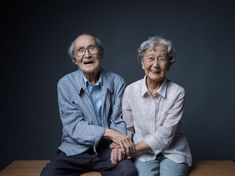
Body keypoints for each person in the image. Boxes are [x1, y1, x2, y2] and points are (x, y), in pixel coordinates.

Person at [41, 33, 137, 176]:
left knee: (128, 172)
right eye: (80, 50)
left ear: (101, 53)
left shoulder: (117, 81)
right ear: (74, 59)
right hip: (74, 150)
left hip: (107, 149)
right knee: (48, 175)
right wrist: (109, 133)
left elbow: (119, 119)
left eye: (92, 48)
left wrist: (118, 146)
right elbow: (74, 126)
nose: (87, 54)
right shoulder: (65, 84)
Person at [116, 36, 192, 176]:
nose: (156, 64)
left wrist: (131, 149)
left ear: (169, 64)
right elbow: (128, 127)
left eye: (162, 59)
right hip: (143, 154)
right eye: (150, 58)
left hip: (173, 152)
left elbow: (165, 135)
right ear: (142, 63)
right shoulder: (130, 90)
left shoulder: (177, 92)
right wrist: (123, 147)